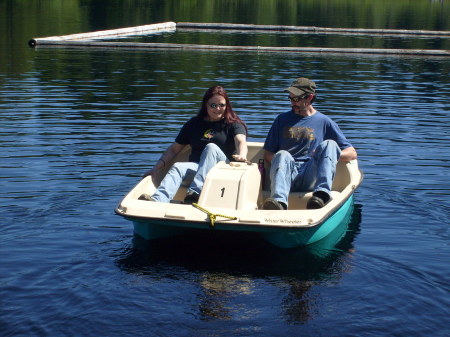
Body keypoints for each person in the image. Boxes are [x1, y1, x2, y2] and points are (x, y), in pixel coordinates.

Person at [139, 85, 248, 204]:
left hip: (222, 170)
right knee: (178, 167)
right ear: (206, 105)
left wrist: (242, 155)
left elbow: (240, 141)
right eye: (213, 105)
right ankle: (158, 199)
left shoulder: (233, 123)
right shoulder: (193, 124)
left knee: (210, 147)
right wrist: (156, 168)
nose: (218, 108)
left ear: (226, 106)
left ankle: (195, 193)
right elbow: (174, 149)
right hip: (198, 168)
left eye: (221, 105)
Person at [262, 77, 357, 210]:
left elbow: (352, 153)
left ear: (309, 97)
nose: (292, 103)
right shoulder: (281, 120)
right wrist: (283, 161)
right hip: (287, 174)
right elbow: (268, 154)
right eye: (290, 98)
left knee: (330, 144)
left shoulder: (324, 122)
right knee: (282, 154)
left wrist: (325, 154)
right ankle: (279, 203)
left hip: (311, 174)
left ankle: (321, 195)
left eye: (296, 99)